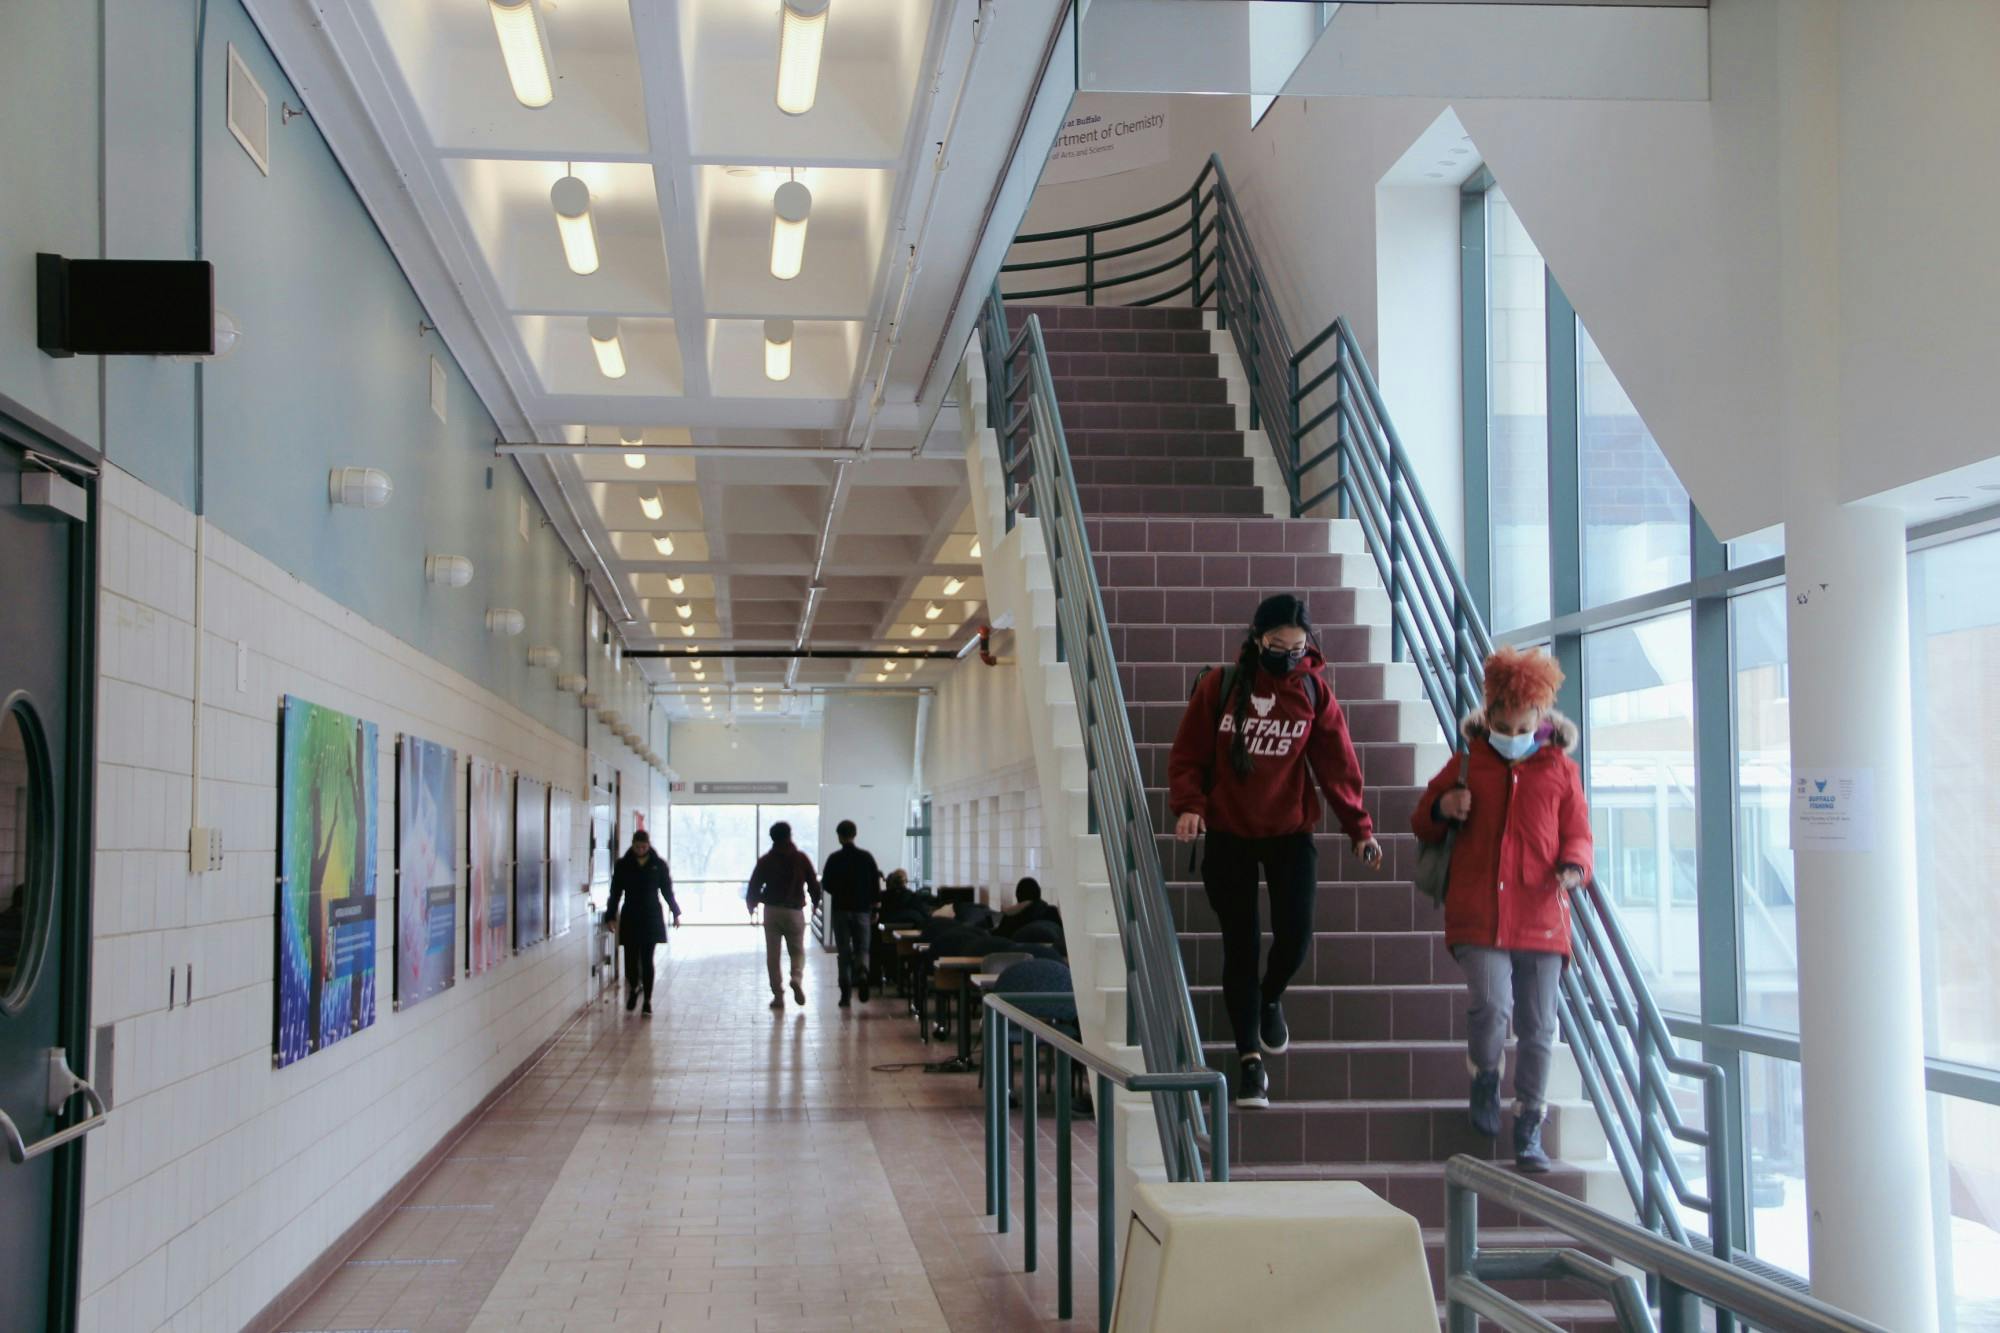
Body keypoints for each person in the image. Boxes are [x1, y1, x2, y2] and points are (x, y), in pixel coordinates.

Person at [1168, 592, 1381, 1110]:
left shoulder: (1312, 691)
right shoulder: (1221, 687)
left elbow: (1337, 765)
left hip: (1289, 833)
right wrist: (1190, 806)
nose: (1288, 654)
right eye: (1276, 645)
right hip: (1229, 834)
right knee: (1240, 945)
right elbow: (1188, 755)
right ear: (1257, 640)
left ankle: (1269, 997)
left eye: (1297, 645)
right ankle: (1249, 1064)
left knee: (1295, 936)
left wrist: (1360, 828)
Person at [1411, 645, 1593, 1174]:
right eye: (1502, 722)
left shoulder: (1561, 771)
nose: (1511, 733)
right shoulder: (1466, 760)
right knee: (1491, 1007)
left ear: (1540, 718)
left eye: (1521, 723)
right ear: (1488, 715)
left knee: (1539, 1029)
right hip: (1478, 914)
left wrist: (1575, 867)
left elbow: (1579, 833)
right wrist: (1444, 807)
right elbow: (1423, 821)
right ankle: (1484, 1074)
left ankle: (1529, 1126)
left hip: (1541, 914)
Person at [748, 821, 821, 1009]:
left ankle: (778, 996)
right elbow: (813, 883)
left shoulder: (766, 860)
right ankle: (796, 976)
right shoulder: (801, 858)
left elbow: (754, 885)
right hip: (794, 911)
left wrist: (752, 906)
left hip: (771, 911)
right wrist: (815, 902)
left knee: (773, 955)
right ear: (790, 836)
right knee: (797, 951)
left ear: (772, 838)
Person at [605, 830, 678, 1015]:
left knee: (647, 959)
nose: (640, 850)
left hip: (651, 916)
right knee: (630, 959)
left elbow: (667, 891)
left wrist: (676, 912)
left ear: (648, 845)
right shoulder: (623, 865)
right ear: (632, 844)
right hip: (630, 916)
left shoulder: (658, 864)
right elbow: (615, 893)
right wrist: (610, 915)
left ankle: (647, 1000)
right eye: (637, 847)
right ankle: (634, 987)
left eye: (643, 846)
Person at [821, 820, 883, 1007]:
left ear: (839, 836)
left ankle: (845, 992)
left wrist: (840, 892)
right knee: (862, 948)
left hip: (841, 910)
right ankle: (863, 973)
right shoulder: (866, 857)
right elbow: (875, 885)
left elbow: (827, 884)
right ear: (855, 835)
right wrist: (875, 908)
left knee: (844, 950)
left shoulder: (834, 859)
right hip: (863, 910)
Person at [995, 877, 1062, 939]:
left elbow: (996, 936)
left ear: (1017, 895)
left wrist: (1004, 913)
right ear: (1039, 893)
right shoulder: (1052, 912)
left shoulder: (1010, 917)